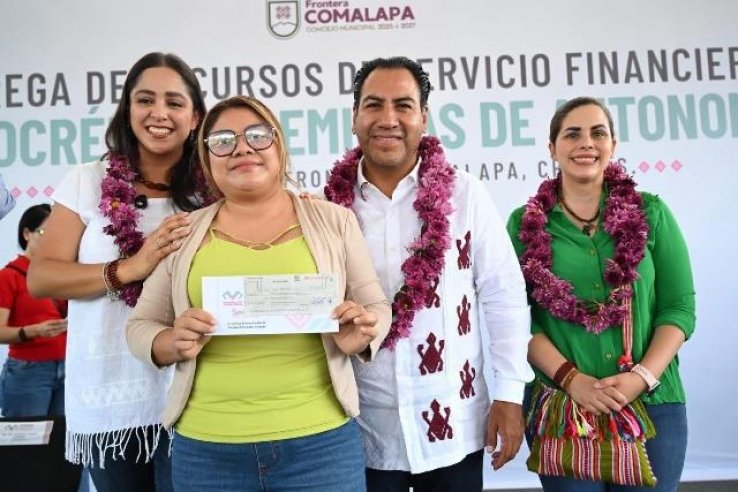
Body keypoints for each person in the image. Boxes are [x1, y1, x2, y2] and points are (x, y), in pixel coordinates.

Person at [125, 95, 391, 491]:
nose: (242, 148)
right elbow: (140, 326)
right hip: (207, 452)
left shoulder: (334, 221)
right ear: (207, 160)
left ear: (279, 146)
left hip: (321, 447)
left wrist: (364, 331)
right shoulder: (183, 232)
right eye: (222, 141)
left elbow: (376, 306)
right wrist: (170, 342)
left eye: (257, 135)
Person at [323, 56, 533, 491]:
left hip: (453, 425)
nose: (388, 119)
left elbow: (504, 296)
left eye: (403, 105)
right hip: (362, 428)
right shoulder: (326, 210)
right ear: (354, 117)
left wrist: (510, 393)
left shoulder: (465, 194)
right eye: (373, 105)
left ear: (423, 116)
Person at [27, 52, 213, 492]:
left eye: (174, 102)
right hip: (111, 395)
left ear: (195, 117)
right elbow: (42, 277)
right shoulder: (87, 181)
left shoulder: (216, 185)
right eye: (145, 100)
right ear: (127, 110)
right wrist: (130, 268)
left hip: (198, 388)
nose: (159, 113)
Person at [506, 96, 695, 491]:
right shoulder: (524, 225)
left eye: (598, 133)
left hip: (653, 403)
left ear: (613, 144)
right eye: (572, 134)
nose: (586, 143)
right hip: (564, 408)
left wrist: (641, 377)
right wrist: (572, 380)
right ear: (552, 148)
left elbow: (678, 308)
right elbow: (512, 319)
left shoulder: (652, 212)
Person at [0, 204, 67, 417]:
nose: (51, 240)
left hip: (67, 367)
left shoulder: (60, 273)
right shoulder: (9, 276)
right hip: (28, 370)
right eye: (44, 232)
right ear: (27, 233)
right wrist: (34, 330)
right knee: (27, 436)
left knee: (60, 436)